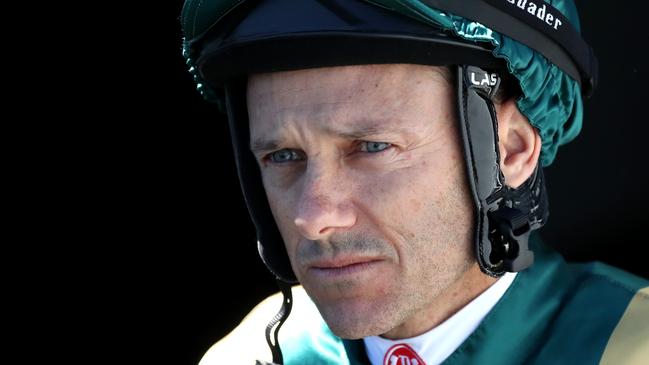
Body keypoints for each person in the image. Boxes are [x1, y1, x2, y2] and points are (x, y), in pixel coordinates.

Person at [180, 1, 648, 364]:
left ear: (511, 150)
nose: (312, 217)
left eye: (372, 147)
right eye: (283, 156)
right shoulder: (249, 354)